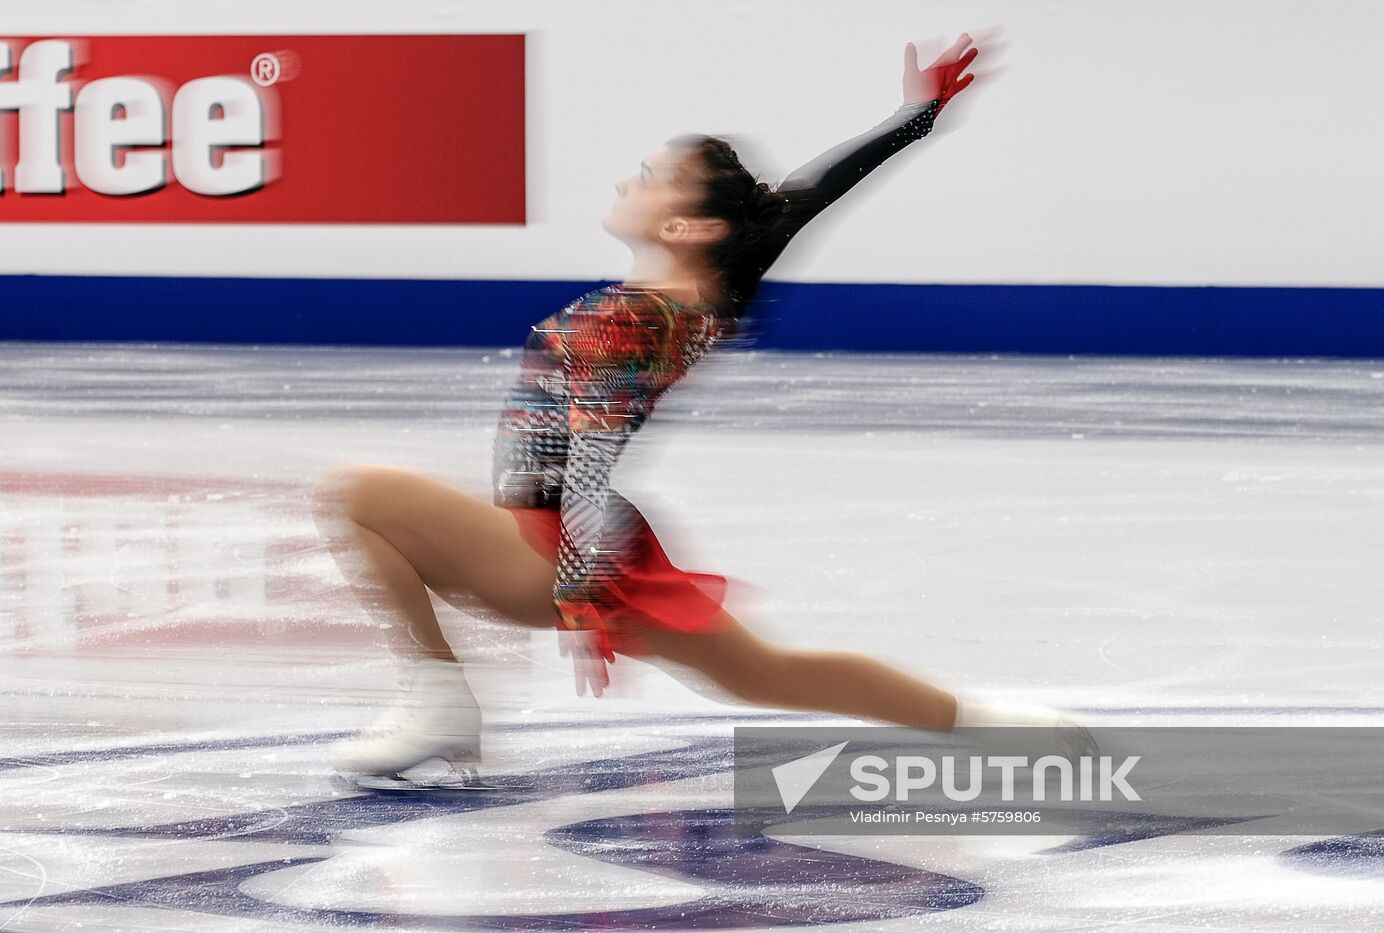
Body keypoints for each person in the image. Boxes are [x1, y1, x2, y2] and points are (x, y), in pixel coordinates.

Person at [319, 35, 1085, 782]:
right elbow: (809, 198)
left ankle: (438, 698)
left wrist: (580, 593)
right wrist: (915, 118)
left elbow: (589, 457)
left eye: (651, 177)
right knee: (767, 674)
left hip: (549, 546)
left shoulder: (635, 318)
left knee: (360, 494)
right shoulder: (711, 292)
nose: (627, 182)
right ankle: (999, 726)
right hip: (598, 542)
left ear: (689, 226)